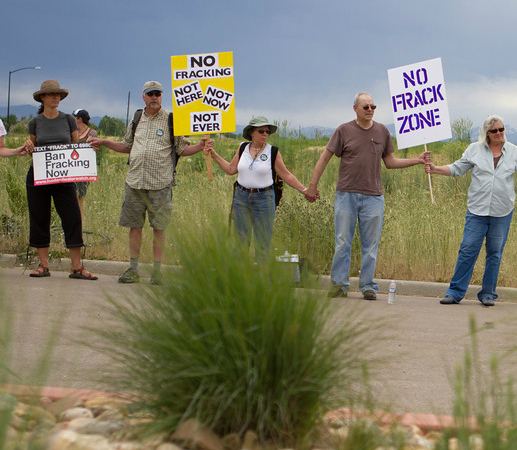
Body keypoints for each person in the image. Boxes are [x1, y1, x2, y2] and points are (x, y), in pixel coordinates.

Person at [425, 115, 517, 306]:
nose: (499, 133)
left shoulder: (514, 152)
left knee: (494, 252)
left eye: (502, 129)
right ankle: (455, 292)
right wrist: (435, 169)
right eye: (494, 131)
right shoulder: (475, 150)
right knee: (467, 250)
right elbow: (457, 168)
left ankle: (488, 293)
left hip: (502, 212)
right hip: (477, 211)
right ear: (486, 133)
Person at [305, 92, 428, 300]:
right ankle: (339, 285)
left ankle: (368, 286)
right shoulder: (343, 131)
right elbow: (324, 158)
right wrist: (312, 186)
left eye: (373, 106)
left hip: (373, 197)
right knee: (343, 241)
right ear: (355, 109)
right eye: (365, 107)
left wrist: (417, 160)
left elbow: (390, 162)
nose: (370, 110)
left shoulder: (382, 131)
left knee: (371, 244)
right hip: (347, 195)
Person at [89, 81, 211, 285]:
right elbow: (126, 146)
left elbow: (182, 149)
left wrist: (200, 146)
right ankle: (133, 269)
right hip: (135, 182)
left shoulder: (172, 119)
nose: (154, 97)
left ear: (162, 96)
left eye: (158, 94)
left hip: (160, 184)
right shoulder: (137, 119)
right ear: (143, 97)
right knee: (134, 227)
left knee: (159, 228)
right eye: (150, 94)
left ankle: (157, 271)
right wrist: (104, 142)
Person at [205, 116, 310, 262]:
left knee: (262, 241)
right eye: (261, 131)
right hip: (241, 197)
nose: (265, 134)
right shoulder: (242, 148)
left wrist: (304, 190)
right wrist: (213, 154)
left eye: (267, 131)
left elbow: (286, 175)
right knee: (240, 240)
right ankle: (241, 277)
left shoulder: (272, 151)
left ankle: (262, 277)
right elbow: (230, 169)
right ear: (252, 133)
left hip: (264, 199)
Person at [24, 79, 97, 280]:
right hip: (39, 174)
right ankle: (43, 265)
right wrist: (29, 148)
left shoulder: (68, 120)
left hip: (64, 176)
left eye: (59, 94)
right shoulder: (35, 122)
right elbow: (33, 150)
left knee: (72, 218)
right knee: (39, 217)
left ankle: (76, 267)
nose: (56, 97)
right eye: (52, 94)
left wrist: (89, 150)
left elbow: (76, 147)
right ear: (43, 98)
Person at [72, 109, 97, 221]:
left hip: (84, 170)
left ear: (79, 119)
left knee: (80, 197)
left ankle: (80, 221)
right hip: (71, 169)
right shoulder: (72, 132)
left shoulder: (92, 133)